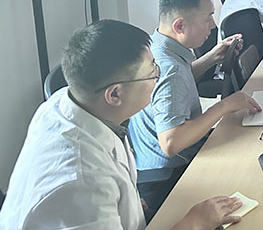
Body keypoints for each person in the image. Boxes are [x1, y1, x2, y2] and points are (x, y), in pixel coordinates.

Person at [0, 20, 244, 230]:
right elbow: (90, 189)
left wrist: (127, 201)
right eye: (152, 73)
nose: (158, 77)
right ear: (115, 94)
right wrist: (194, 223)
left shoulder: (65, 101)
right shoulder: (84, 183)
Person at [128, 0, 261, 218]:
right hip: (168, 176)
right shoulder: (170, 70)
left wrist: (212, 57)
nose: (213, 25)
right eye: (207, 18)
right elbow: (171, 142)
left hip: (148, 162)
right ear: (179, 25)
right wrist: (224, 106)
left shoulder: (156, 45)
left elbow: (178, 82)